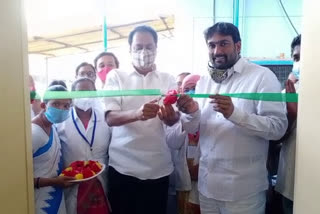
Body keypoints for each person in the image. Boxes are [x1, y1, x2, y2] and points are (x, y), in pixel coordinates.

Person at [176, 22, 288, 214]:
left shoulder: (261, 77)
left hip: (243, 193)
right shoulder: (204, 81)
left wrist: (234, 114)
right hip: (207, 187)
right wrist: (191, 112)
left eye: (224, 44)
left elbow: (278, 128)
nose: (217, 50)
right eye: (212, 45)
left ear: (238, 46)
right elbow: (194, 128)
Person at [103, 25, 180, 214]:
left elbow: (174, 118)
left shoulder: (167, 78)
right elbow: (109, 117)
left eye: (149, 46)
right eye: (138, 47)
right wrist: (137, 114)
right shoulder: (116, 77)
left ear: (156, 49)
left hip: (158, 167)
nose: (143, 52)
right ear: (130, 50)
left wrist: (171, 117)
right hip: (123, 167)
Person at [57, 78, 111, 214]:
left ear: (96, 93)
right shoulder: (61, 121)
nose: (85, 95)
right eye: (80, 92)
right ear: (72, 94)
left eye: (89, 91)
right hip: (72, 183)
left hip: (101, 182)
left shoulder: (105, 118)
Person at [32, 85, 73, 214]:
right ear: (44, 105)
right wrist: (54, 181)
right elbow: (17, 177)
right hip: (38, 201)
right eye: (56, 104)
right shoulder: (33, 133)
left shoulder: (53, 127)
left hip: (56, 197)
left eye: (66, 106)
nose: (61, 109)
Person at [275, 34, 301, 214]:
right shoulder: (287, 93)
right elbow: (275, 137)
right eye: (297, 58)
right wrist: (292, 116)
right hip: (292, 185)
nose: (300, 63)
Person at [173, 74, 201, 214]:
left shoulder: (211, 111)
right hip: (186, 180)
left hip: (207, 179)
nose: (191, 93)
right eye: (187, 89)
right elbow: (173, 142)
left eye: (195, 88)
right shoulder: (177, 113)